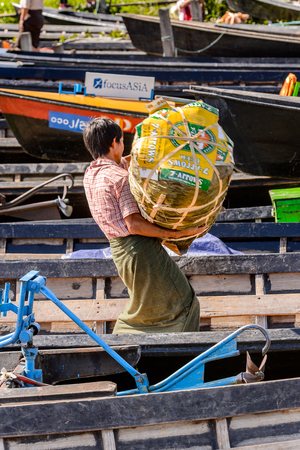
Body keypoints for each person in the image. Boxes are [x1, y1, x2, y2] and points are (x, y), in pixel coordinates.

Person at [83, 117, 204, 335]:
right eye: (121, 141)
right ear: (114, 143)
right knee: (185, 303)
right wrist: (176, 234)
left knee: (144, 309)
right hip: (140, 250)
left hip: (120, 254)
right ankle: (179, 354)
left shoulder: (91, 175)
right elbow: (134, 224)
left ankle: (125, 348)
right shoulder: (120, 178)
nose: (123, 145)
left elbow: (119, 164)